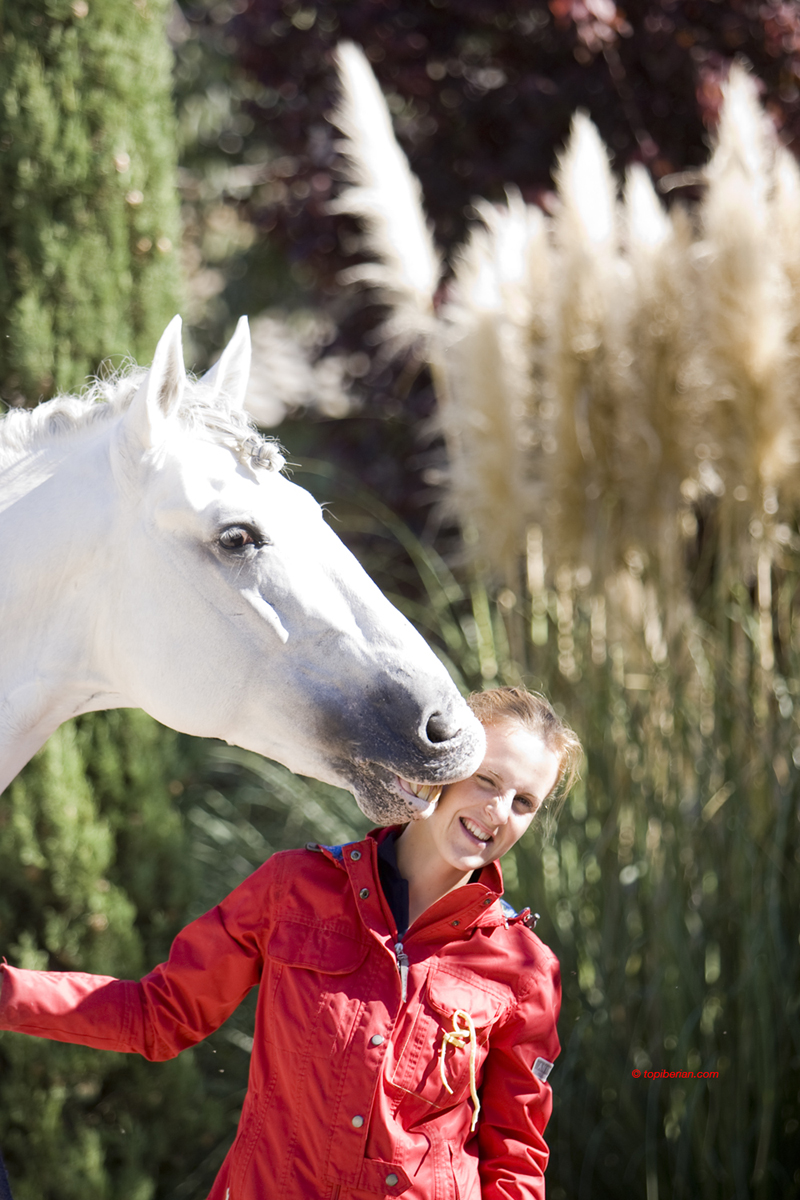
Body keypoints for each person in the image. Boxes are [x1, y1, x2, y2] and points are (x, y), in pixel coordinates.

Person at [0, 686, 581, 1200]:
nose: (498, 811)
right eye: (488, 779)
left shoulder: (525, 971)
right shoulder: (294, 889)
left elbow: (515, 1157)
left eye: (524, 802)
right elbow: (160, 1014)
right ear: (443, 767)